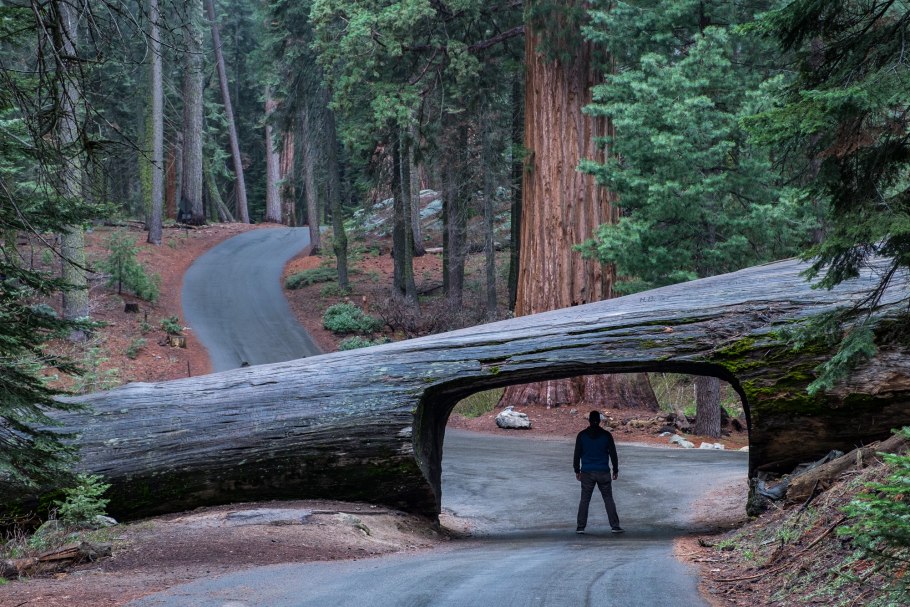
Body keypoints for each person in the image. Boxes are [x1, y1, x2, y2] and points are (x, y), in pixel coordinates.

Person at [573, 410, 623, 534]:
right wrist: (615, 469)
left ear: (589, 420)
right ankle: (615, 526)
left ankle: (580, 527)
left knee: (585, 499)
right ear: (600, 421)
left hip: (587, 472)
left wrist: (577, 470)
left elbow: (577, 454)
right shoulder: (606, 435)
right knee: (608, 498)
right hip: (603, 472)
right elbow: (613, 454)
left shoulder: (582, 435)